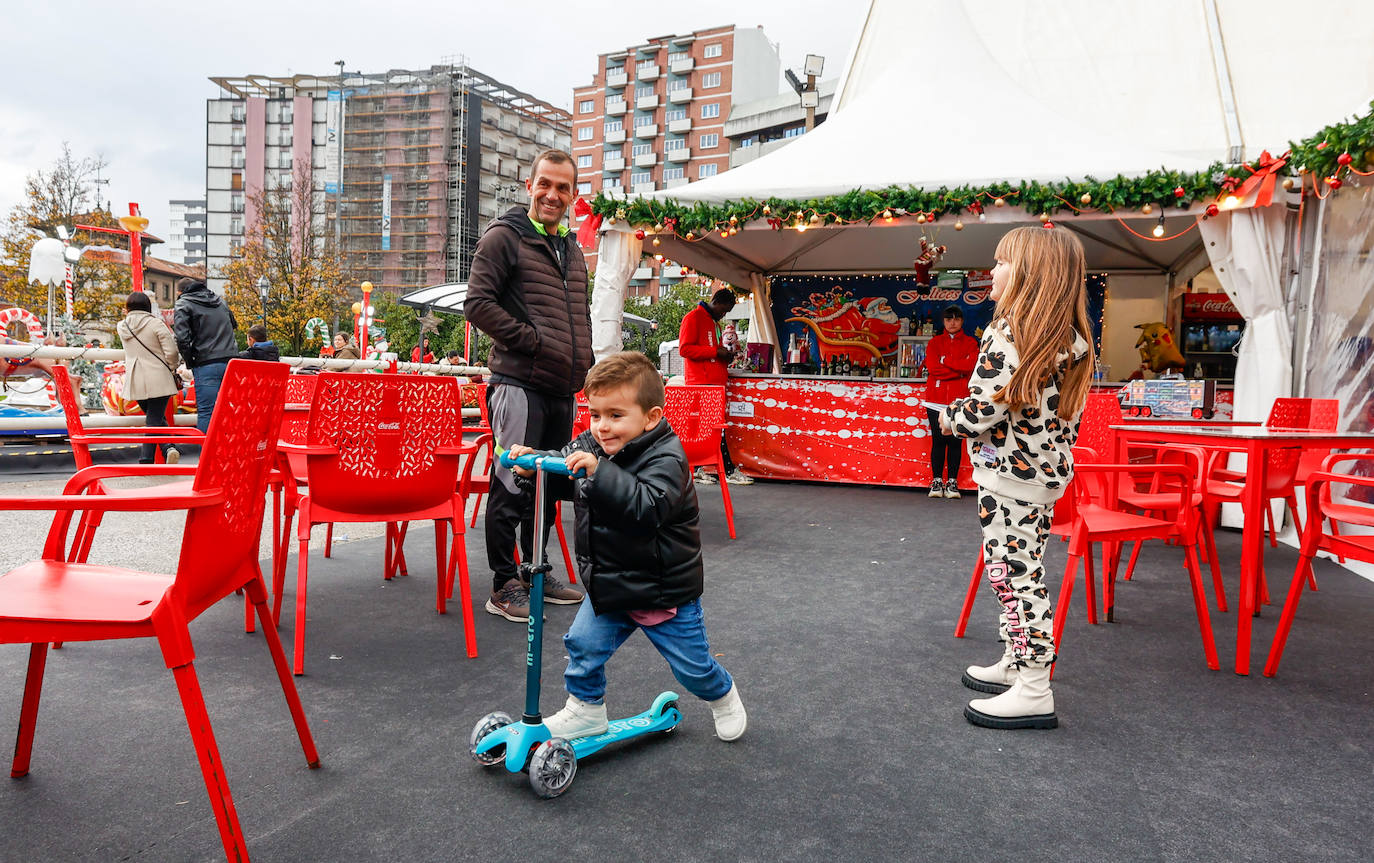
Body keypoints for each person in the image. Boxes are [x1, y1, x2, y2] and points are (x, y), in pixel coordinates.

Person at [506, 351, 746, 742]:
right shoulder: (593, 444)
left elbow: (645, 507)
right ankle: (585, 710)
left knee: (693, 669)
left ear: (651, 417)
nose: (602, 427)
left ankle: (722, 695)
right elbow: (567, 469)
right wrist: (534, 466)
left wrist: (599, 472)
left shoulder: (667, 458)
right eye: (595, 414)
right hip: (611, 583)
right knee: (582, 645)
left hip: (661, 590)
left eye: (616, 415)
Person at [940, 226, 1093, 731]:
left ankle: (1032, 687)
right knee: (1020, 570)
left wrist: (947, 418)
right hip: (1041, 478)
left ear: (1030, 273)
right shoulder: (1067, 339)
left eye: (1002, 262)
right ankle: (1015, 661)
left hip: (1007, 477)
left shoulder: (1010, 334)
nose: (993, 272)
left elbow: (980, 412)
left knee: (1014, 578)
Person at [464, 148, 592, 623]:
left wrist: (588, 363)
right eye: (545, 184)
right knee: (512, 484)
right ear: (529, 185)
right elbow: (477, 303)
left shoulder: (572, 249)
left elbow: (578, 316)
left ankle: (535, 570)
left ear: (574, 195)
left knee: (547, 484)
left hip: (561, 387)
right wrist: (533, 342)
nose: (552, 195)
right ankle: (503, 584)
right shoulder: (505, 237)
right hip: (518, 382)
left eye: (563, 187)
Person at [678, 287, 753, 486]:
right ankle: (727, 470)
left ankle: (699, 469)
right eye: (724, 310)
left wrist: (724, 356)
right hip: (702, 383)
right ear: (716, 301)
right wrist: (715, 352)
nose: (724, 314)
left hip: (713, 381)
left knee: (709, 426)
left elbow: (711, 352)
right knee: (714, 426)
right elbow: (685, 349)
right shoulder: (693, 317)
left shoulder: (713, 322)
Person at [116, 291, 182, 464]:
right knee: (154, 418)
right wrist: (173, 367)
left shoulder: (122, 326)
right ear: (148, 306)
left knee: (155, 417)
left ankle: (168, 448)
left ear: (128, 307)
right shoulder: (156, 324)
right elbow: (172, 352)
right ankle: (146, 458)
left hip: (135, 377)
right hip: (159, 376)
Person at [924, 305, 979, 499]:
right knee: (938, 441)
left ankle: (953, 482)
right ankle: (937, 481)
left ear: (962, 321)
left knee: (956, 441)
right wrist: (959, 370)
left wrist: (946, 361)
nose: (952, 323)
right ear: (944, 321)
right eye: (948, 319)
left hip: (960, 400)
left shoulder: (972, 343)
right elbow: (932, 368)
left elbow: (971, 366)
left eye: (956, 319)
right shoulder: (934, 343)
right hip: (935, 399)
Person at [172, 277, 237, 433]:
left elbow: (182, 339)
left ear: (180, 292)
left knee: (207, 412)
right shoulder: (220, 301)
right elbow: (233, 324)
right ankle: (226, 454)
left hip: (206, 362)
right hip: (231, 362)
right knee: (228, 412)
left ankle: (207, 456)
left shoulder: (183, 303)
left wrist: (189, 361)